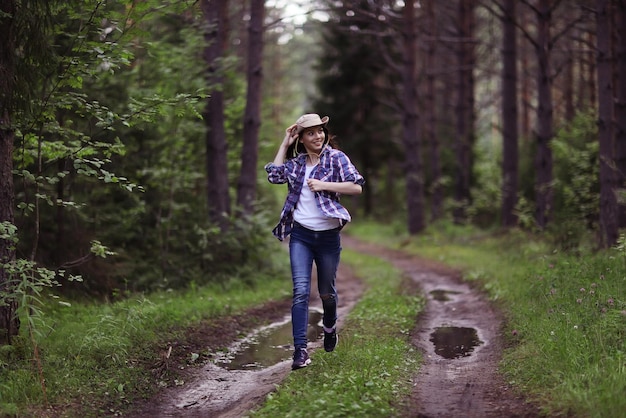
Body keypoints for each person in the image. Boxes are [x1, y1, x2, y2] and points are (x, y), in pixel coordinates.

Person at [264, 113, 365, 370]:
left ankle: (329, 328)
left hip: (328, 237)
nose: (318, 136)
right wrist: (284, 143)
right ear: (302, 138)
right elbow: (274, 176)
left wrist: (323, 184)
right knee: (300, 291)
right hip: (301, 235)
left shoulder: (336, 158)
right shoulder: (297, 164)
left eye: (320, 130)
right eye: (310, 133)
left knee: (327, 293)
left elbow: (356, 187)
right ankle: (300, 351)